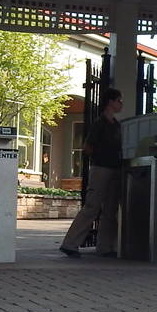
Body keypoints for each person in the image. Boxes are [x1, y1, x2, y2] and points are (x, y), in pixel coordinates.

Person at [60, 88, 125, 258]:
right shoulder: (99, 123)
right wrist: (99, 158)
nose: (121, 104)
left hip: (115, 169)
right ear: (110, 102)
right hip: (101, 169)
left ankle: (105, 247)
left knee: (110, 210)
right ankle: (70, 244)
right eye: (118, 100)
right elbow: (88, 147)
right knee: (92, 206)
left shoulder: (117, 126)